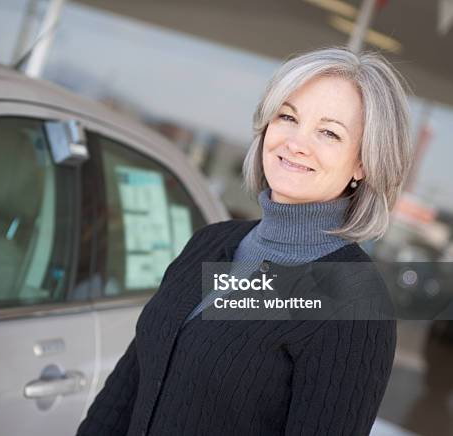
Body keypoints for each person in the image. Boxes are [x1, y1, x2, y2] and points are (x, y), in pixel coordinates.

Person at [76, 46, 412, 436]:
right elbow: (127, 388)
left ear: (362, 163)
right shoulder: (210, 244)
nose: (296, 142)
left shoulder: (353, 302)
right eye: (288, 116)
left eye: (328, 132)